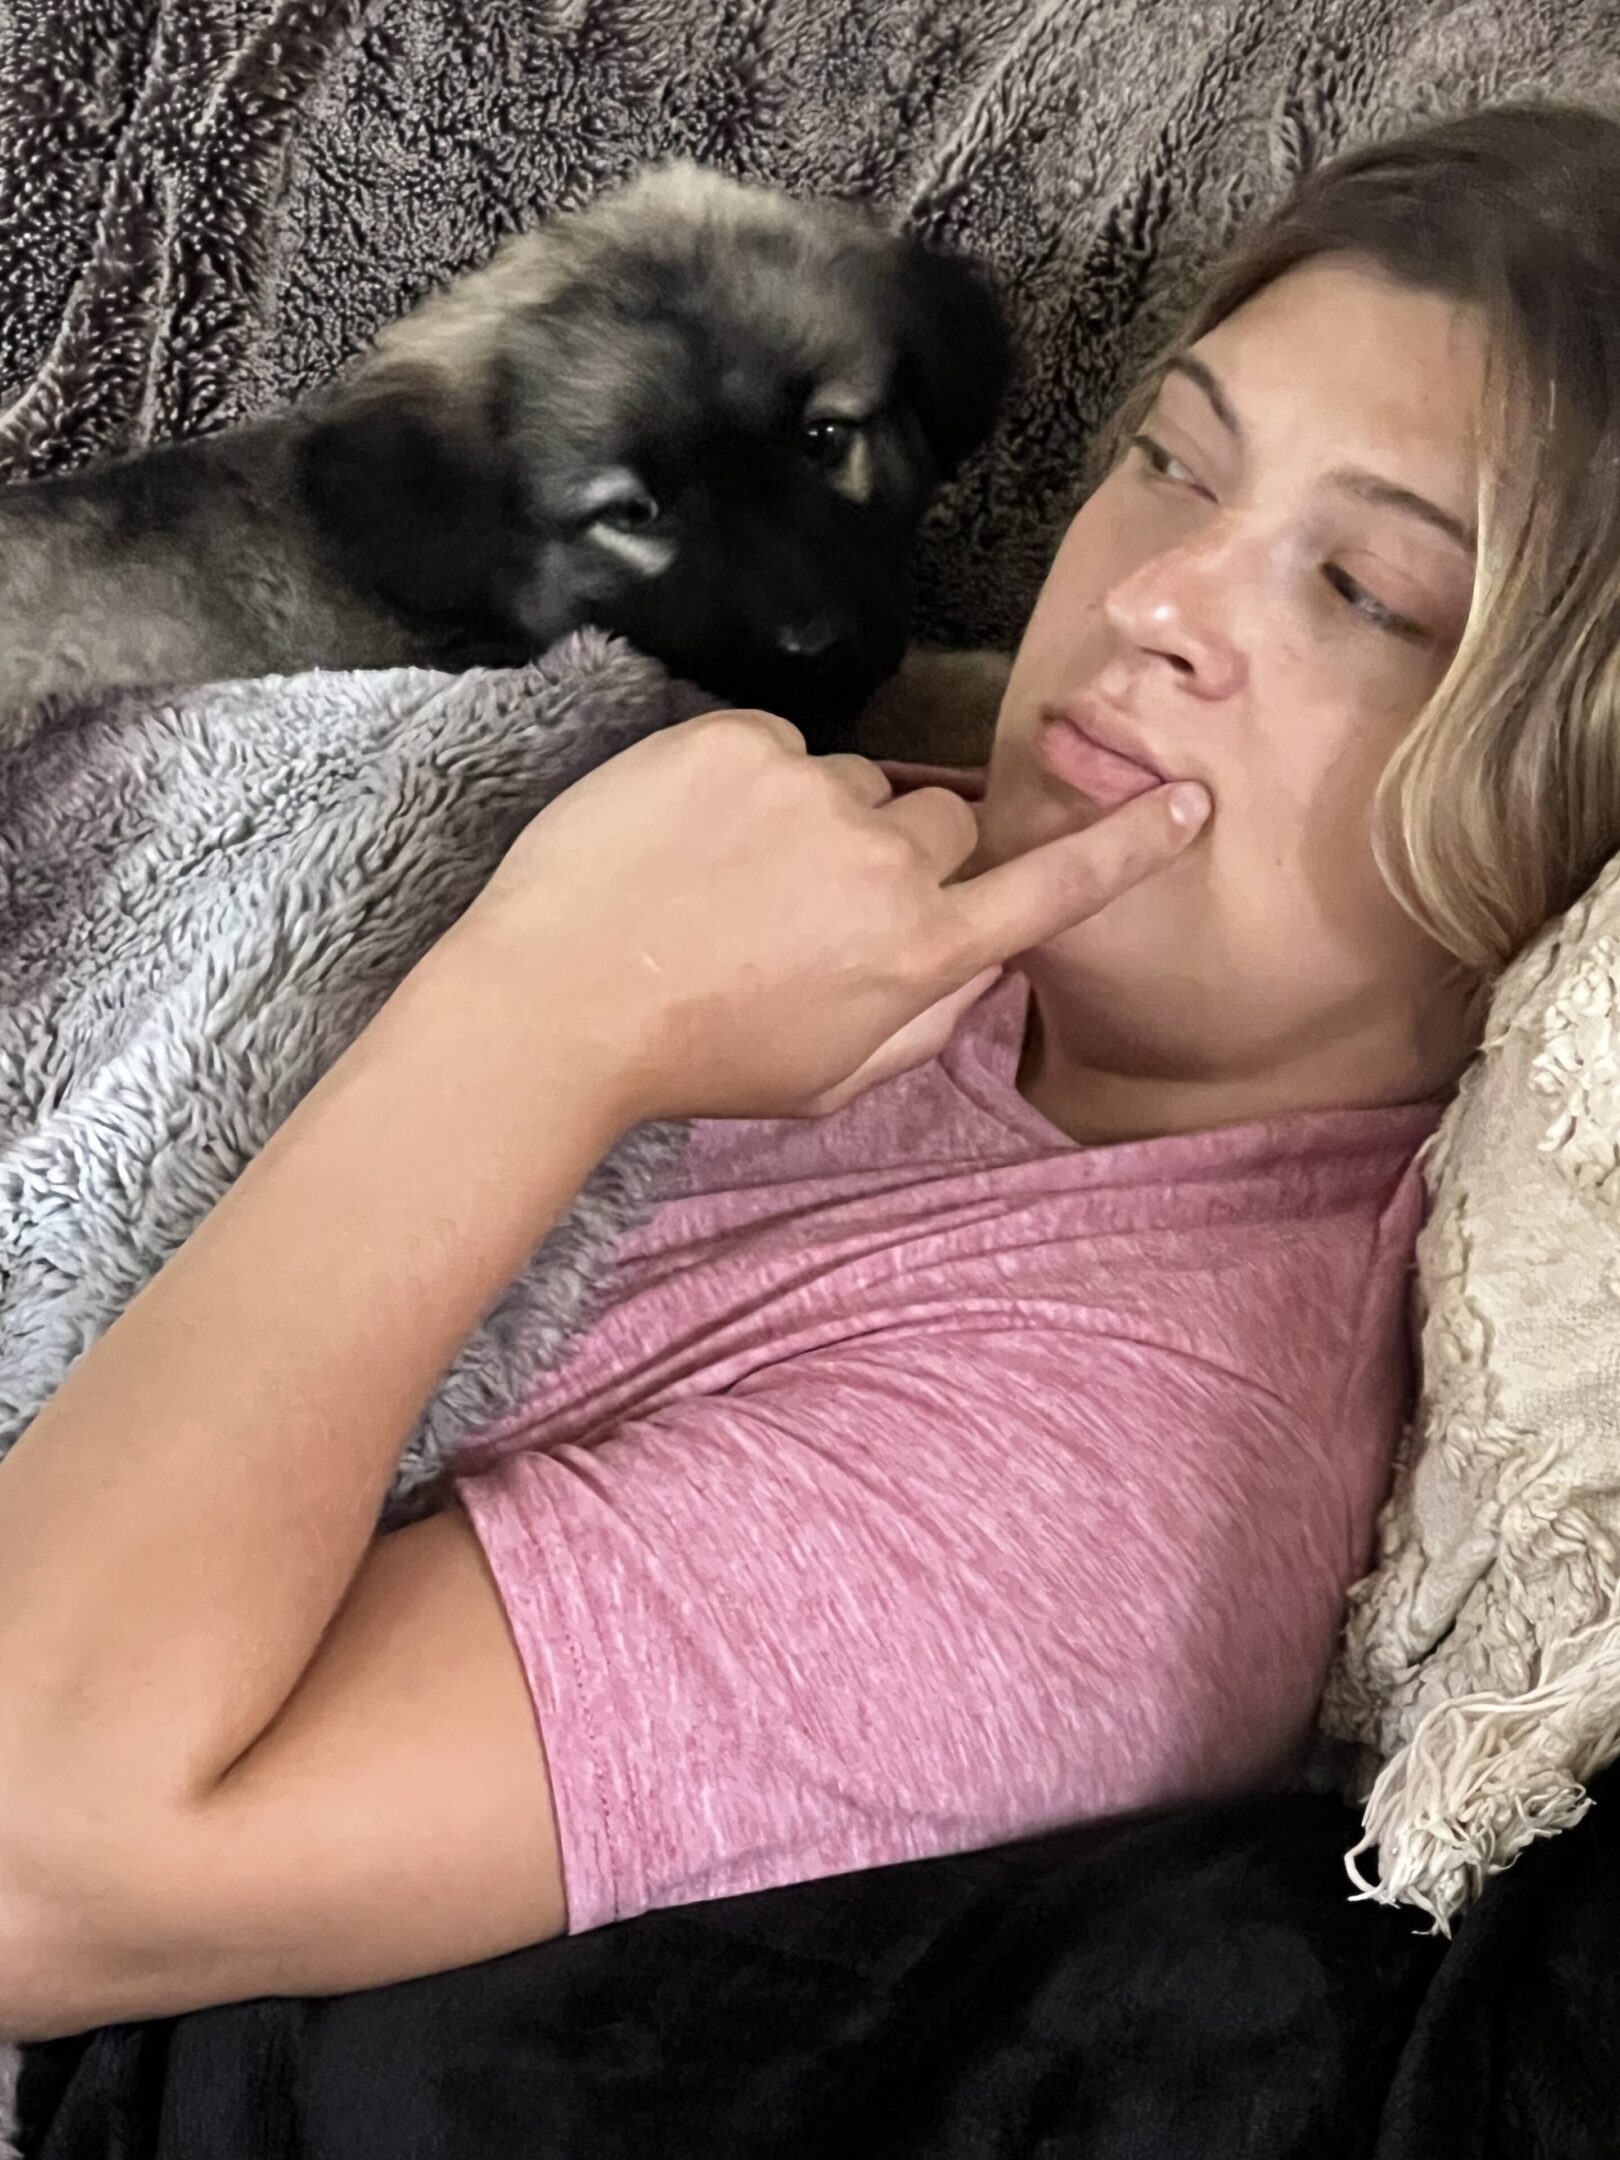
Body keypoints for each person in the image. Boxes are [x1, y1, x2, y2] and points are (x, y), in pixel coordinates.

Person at [5, 98, 1620, 2042]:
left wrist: (549, 1012)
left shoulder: (1100, 1481)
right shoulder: (894, 815)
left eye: (1371, 593)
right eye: (1173, 466)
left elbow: (40, 1869)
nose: (1142, 603)